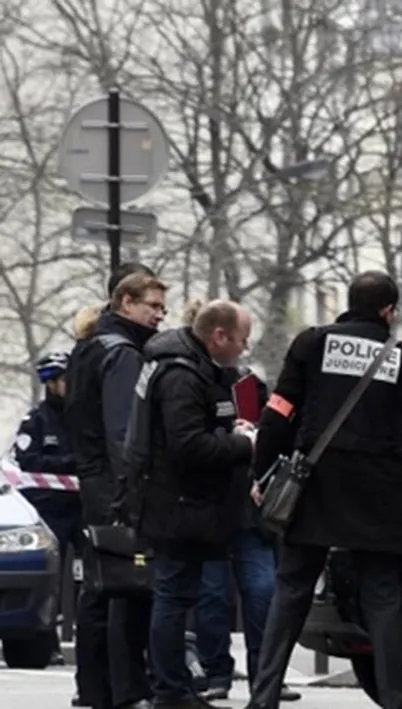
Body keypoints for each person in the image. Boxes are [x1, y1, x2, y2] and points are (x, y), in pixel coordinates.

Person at [244, 271, 402, 709]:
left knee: (292, 588)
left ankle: (264, 697)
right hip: (382, 496)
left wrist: (261, 475)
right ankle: (393, 698)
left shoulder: (311, 344)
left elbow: (278, 414)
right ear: (388, 310)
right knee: (382, 595)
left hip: (316, 488)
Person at [120, 300, 256, 709]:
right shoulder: (182, 375)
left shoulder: (192, 369)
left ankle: (174, 687)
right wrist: (242, 443)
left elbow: (193, 430)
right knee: (173, 598)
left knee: (177, 597)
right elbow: (186, 445)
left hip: (185, 503)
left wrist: (228, 428)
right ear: (218, 336)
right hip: (178, 505)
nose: (243, 349)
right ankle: (171, 690)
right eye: (241, 340)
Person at [174, 299, 300, 704]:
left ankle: (267, 672)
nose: (243, 347)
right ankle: (217, 671)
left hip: (247, 501)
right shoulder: (188, 379)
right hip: (211, 502)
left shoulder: (248, 383)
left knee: (261, 589)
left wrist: (256, 436)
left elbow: (275, 430)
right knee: (212, 595)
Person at [65, 270, 166, 709]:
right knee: (127, 586)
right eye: (153, 306)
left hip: (92, 483)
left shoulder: (87, 346)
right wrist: (134, 490)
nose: (160, 316)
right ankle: (130, 690)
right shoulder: (123, 354)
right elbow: (124, 432)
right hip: (116, 487)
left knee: (98, 586)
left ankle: (94, 688)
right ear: (126, 302)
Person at [10, 351, 81, 671]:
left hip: (81, 507)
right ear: (52, 384)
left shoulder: (83, 418)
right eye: (66, 379)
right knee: (51, 579)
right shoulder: (36, 420)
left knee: (96, 573)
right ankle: (47, 641)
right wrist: (68, 465)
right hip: (49, 509)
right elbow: (29, 461)